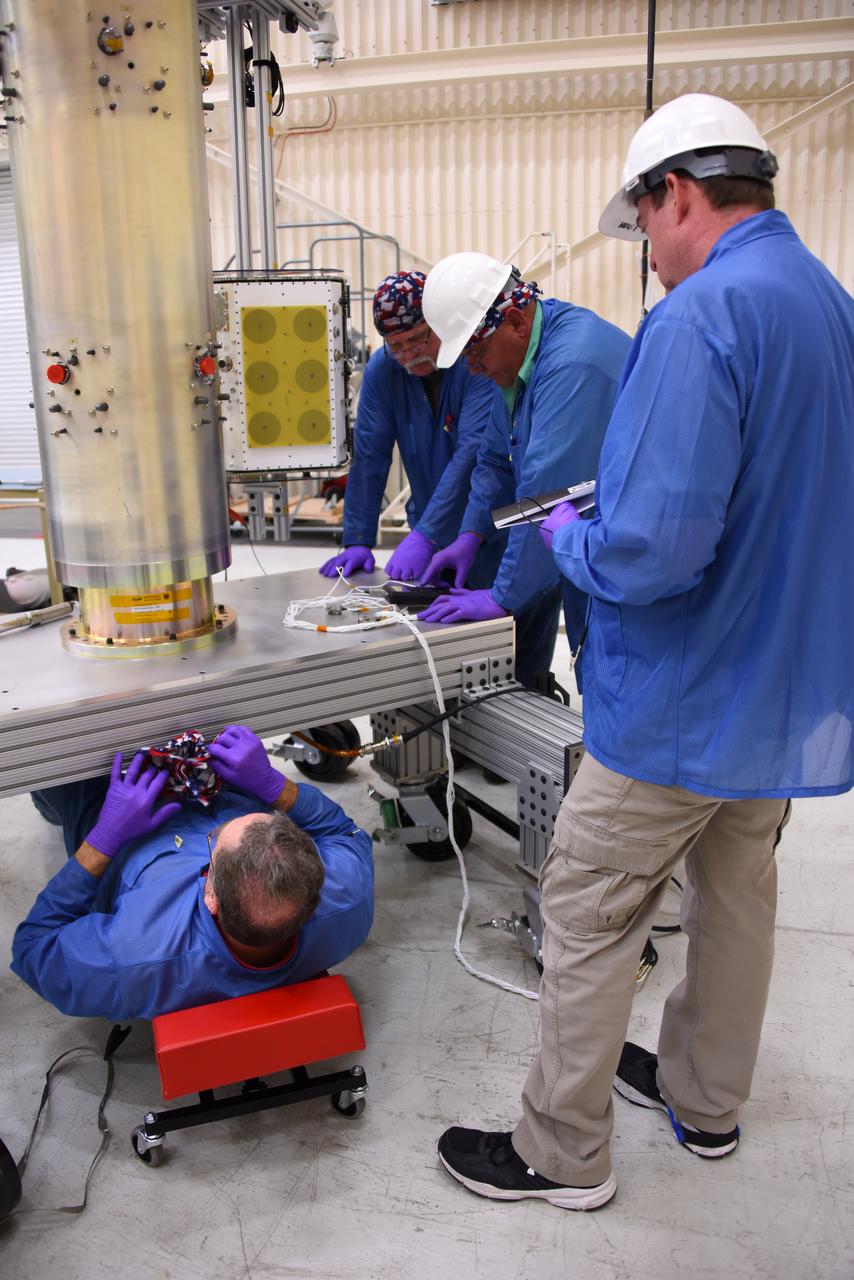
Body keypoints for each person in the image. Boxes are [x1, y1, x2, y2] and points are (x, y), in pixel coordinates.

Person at [435, 93, 854, 1211]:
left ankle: (558, 1151)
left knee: (585, 906)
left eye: (645, 230)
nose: (649, 264)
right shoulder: (828, 303)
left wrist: (577, 537)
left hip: (681, 696)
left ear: (673, 192)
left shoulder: (698, 315)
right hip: (778, 692)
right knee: (734, 900)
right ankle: (702, 1099)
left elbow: (654, 549)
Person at [12, 725, 374, 1021]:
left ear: (211, 896)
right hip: (226, 787)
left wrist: (106, 836)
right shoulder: (347, 901)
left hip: (118, 814)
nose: (213, 834)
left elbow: (33, 949)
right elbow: (343, 834)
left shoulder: (137, 956)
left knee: (56, 746)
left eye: (213, 846)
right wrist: (270, 785)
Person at [417, 253, 630, 686]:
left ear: (513, 320)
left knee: (617, 681)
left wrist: (502, 598)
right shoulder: (521, 363)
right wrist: (471, 536)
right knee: (598, 673)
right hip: (584, 545)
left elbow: (548, 495)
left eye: (474, 350)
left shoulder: (572, 364)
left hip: (620, 558)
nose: (472, 368)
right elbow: (495, 462)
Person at [319, 269, 505, 588]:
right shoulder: (384, 370)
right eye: (397, 345)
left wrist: (426, 536)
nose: (408, 354)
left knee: (511, 630)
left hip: (495, 532)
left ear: (439, 325)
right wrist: (358, 537)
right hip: (430, 529)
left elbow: (472, 452)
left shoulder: (473, 361)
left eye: (417, 339)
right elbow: (370, 454)